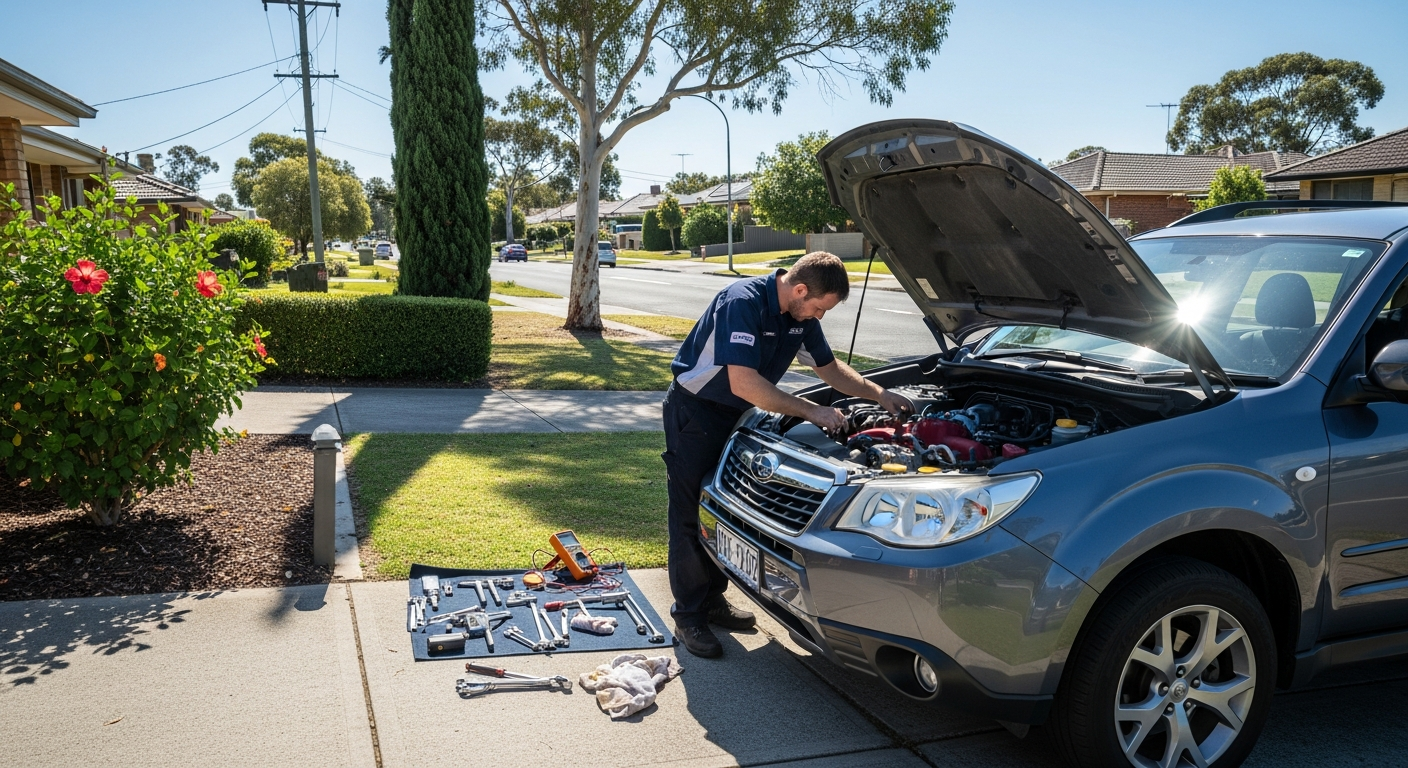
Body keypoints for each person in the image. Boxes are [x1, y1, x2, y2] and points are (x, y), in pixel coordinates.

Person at [662, 251, 911, 658]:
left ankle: (713, 600)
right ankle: (688, 615)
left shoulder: (800, 317)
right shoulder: (742, 302)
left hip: (736, 415)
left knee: (725, 511)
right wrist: (813, 411)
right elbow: (743, 382)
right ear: (798, 289)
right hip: (696, 414)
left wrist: (878, 393)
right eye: (818, 307)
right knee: (690, 513)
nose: (820, 316)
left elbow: (829, 369)